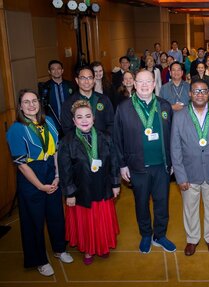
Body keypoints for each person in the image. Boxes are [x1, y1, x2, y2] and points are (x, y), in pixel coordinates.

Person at [6, 89, 73, 277]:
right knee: (34, 220)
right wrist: (39, 186)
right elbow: (21, 166)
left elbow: (56, 151)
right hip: (31, 176)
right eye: (26, 102)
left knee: (56, 214)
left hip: (51, 170)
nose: (31, 105)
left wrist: (58, 175)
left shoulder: (49, 121)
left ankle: (60, 249)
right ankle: (40, 260)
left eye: (34, 100)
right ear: (20, 106)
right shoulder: (16, 129)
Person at [114, 70, 176, 254]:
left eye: (148, 81)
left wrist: (172, 162)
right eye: (140, 81)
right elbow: (117, 138)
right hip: (137, 167)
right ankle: (146, 235)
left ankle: (160, 235)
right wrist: (122, 164)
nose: (144, 85)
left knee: (162, 202)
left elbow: (172, 136)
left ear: (154, 83)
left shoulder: (164, 106)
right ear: (134, 84)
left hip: (162, 166)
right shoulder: (124, 108)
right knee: (141, 203)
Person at [58, 100, 120, 265]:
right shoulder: (67, 142)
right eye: (79, 117)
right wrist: (69, 193)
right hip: (81, 191)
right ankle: (88, 249)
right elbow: (65, 171)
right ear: (74, 121)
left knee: (101, 220)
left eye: (87, 116)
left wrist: (115, 184)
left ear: (93, 118)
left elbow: (114, 162)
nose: (84, 120)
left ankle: (103, 245)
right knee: (86, 223)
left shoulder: (105, 137)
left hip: (102, 187)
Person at [171, 80, 209, 256]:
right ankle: (192, 239)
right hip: (189, 172)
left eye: (204, 91)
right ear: (190, 94)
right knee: (190, 208)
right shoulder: (179, 116)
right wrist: (180, 176)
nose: (200, 94)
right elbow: (175, 147)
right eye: (196, 91)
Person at [60, 66, 114, 136]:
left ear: (94, 80)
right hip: (79, 144)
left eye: (90, 78)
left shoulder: (104, 99)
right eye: (83, 78)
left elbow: (111, 123)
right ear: (77, 80)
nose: (86, 81)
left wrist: (105, 140)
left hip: (103, 143)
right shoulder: (69, 103)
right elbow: (67, 129)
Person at [38, 60, 74, 132]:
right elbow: (42, 106)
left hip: (70, 123)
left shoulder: (71, 85)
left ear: (62, 70)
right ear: (49, 71)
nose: (56, 71)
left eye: (58, 68)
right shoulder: (45, 87)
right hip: (53, 125)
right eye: (53, 69)